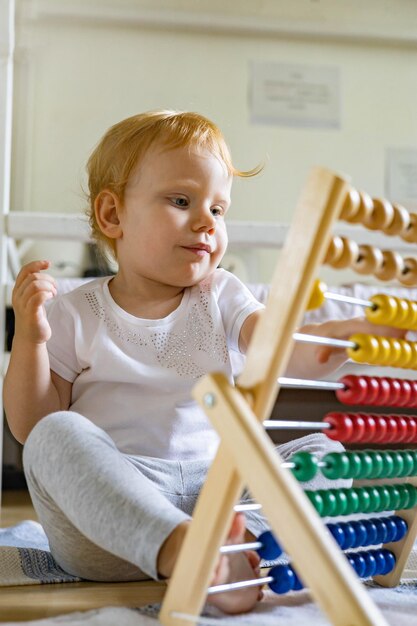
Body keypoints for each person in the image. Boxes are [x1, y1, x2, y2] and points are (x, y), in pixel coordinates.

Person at [3, 110, 404, 615]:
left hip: (219, 499)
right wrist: (31, 342)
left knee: (322, 451)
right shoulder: (74, 312)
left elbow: (284, 347)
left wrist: (347, 337)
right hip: (113, 522)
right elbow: (30, 425)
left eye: (219, 209)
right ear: (113, 216)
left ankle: (249, 556)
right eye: (181, 201)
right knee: (55, 436)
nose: (205, 223)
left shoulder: (221, 296)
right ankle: (184, 550)